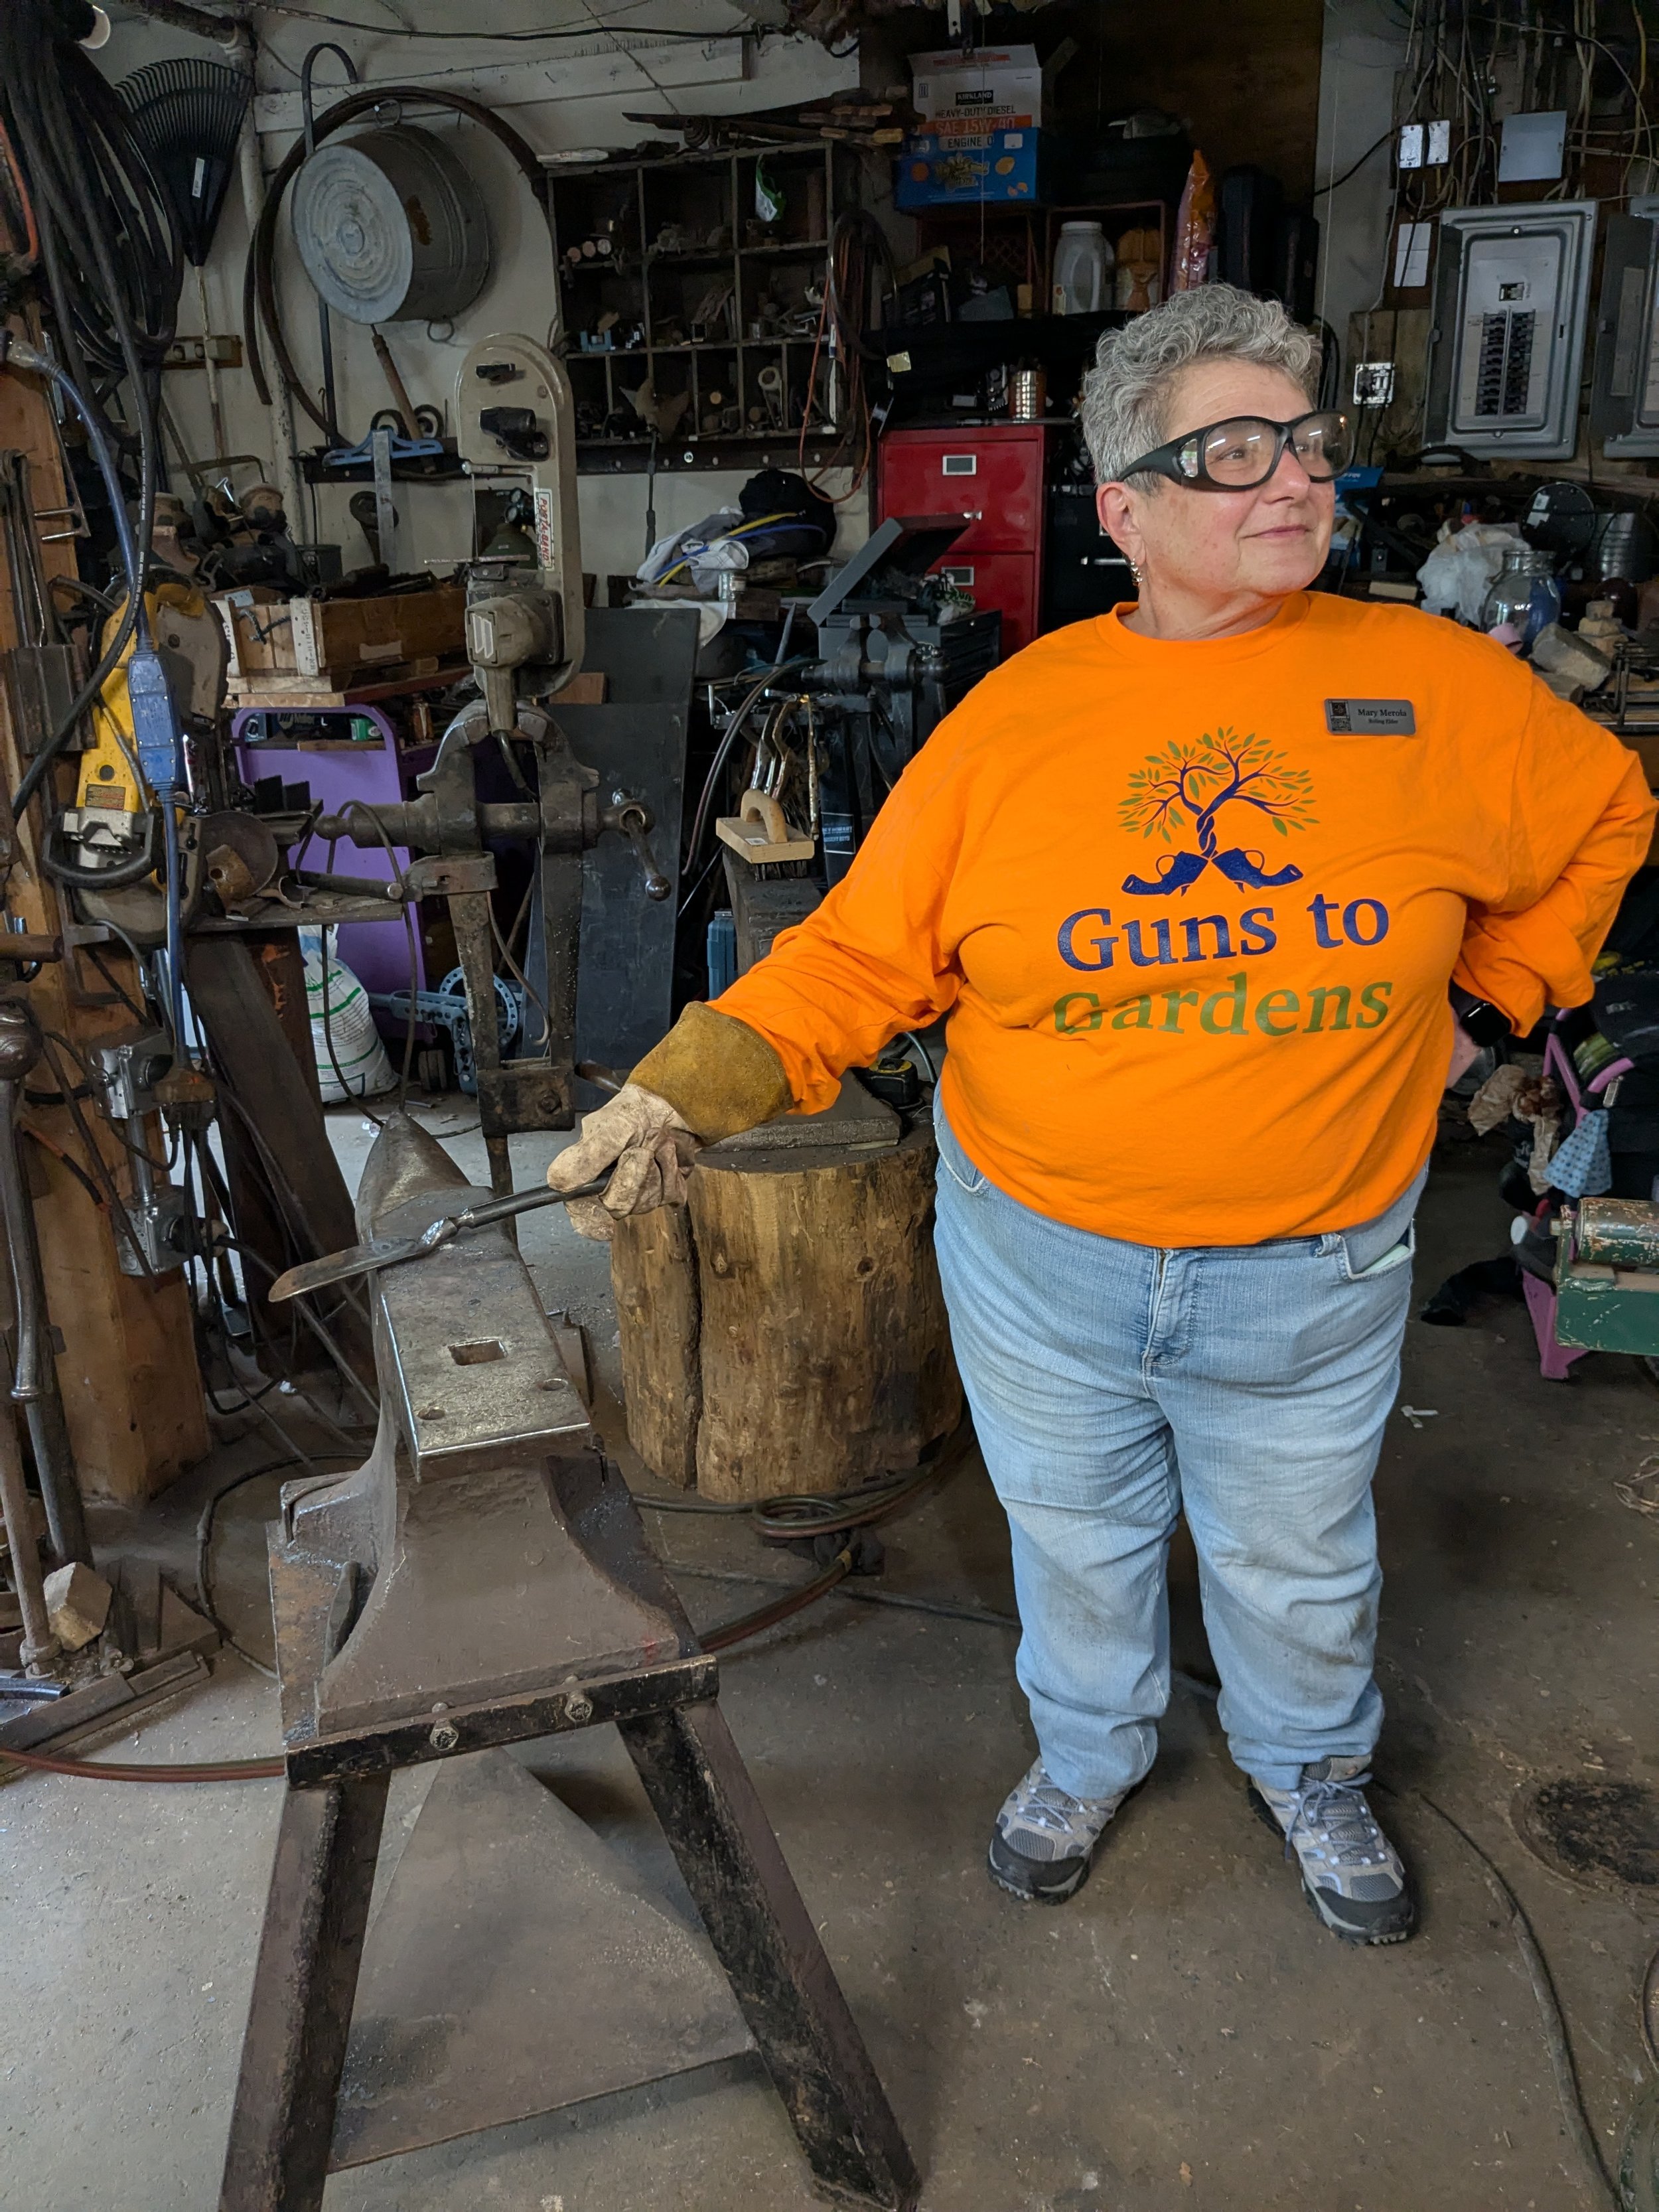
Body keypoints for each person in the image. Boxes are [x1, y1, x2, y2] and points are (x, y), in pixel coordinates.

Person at [549, 286, 1654, 1945]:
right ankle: (1088, 1747)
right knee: (1074, 1540)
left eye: (1303, 440)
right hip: (1040, 1260)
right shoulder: (1018, 721)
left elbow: (1609, 812)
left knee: (1294, 1559)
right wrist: (684, 1085)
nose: (1293, 477)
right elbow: (862, 948)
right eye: (1232, 451)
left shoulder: (1432, 689)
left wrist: (1489, 997)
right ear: (1125, 506)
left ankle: (1309, 1765)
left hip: (1312, 1262)